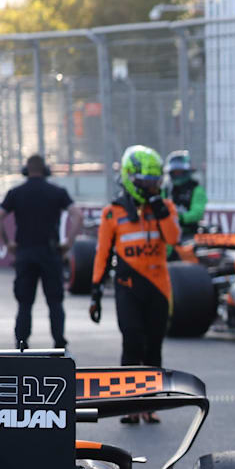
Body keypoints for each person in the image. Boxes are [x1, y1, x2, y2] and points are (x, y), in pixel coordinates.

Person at [90, 145, 180, 424]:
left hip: (158, 288)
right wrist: (95, 291)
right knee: (131, 341)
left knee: (154, 346)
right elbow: (103, 253)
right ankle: (128, 405)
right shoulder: (112, 212)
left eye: (156, 182)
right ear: (132, 178)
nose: (152, 187)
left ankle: (150, 405)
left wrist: (159, 210)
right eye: (146, 182)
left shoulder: (165, 207)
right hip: (128, 286)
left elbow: (174, 239)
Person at [0, 154, 81, 350]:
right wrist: (68, 242)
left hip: (25, 253)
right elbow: (78, 215)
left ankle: (22, 344)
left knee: (25, 303)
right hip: (50, 253)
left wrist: (8, 243)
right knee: (55, 302)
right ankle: (59, 343)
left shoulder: (16, 193)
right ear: (45, 170)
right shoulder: (57, 192)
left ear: (27, 170)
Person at [163, 150, 207, 235]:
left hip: (189, 234)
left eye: (180, 172)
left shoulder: (197, 190)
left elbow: (197, 213)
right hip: (168, 233)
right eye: (175, 172)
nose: (177, 175)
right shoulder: (166, 189)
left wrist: (179, 217)